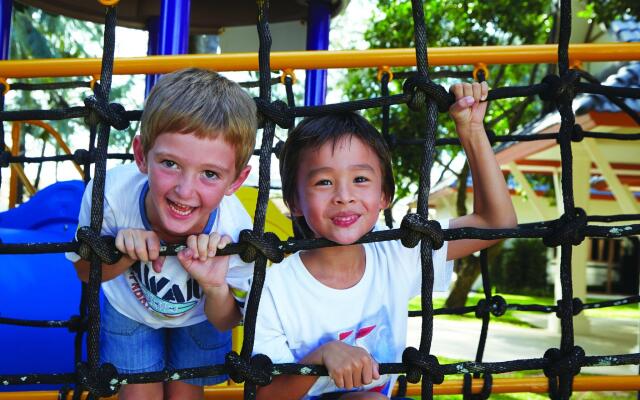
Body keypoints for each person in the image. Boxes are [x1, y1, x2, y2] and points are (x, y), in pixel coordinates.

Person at [251, 82, 517, 399]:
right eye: (324, 181)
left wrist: (472, 130)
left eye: (360, 179)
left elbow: (495, 223)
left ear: (384, 196)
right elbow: (263, 396)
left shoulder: (397, 254)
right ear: (294, 202)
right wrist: (320, 358)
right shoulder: (273, 286)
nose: (344, 196)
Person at [66, 68, 257, 400]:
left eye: (210, 174)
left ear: (236, 181)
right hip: (129, 310)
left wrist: (215, 287)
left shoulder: (237, 233)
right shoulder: (108, 196)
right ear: (141, 155)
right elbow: (84, 273)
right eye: (170, 164)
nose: (185, 190)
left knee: (186, 396)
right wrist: (121, 254)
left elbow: (227, 321)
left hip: (200, 317)